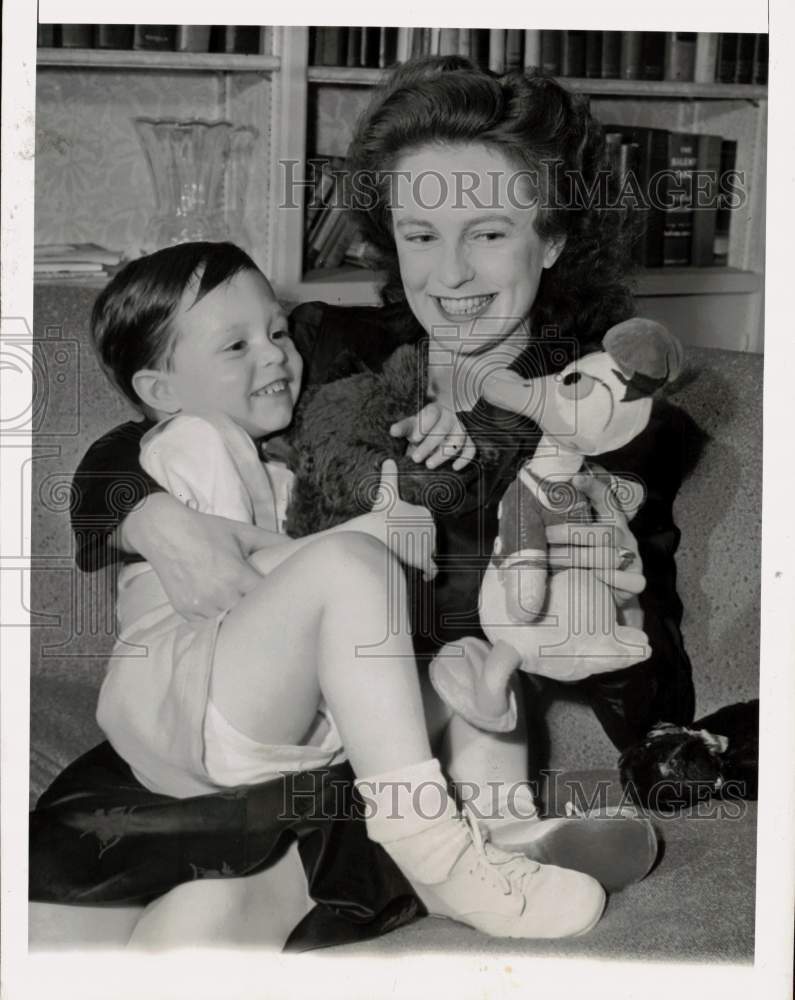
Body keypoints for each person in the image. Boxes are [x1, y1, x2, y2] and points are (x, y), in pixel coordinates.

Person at [33, 56, 692, 946]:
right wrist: (155, 519)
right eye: (421, 235)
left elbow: (644, 661)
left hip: (392, 755)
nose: (450, 274)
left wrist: (545, 648)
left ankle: (482, 843)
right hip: (257, 714)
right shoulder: (326, 351)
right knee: (49, 928)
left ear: (555, 237)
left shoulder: (603, 417)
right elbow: (144, 434)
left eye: (489, 233)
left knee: (189, 938)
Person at [71, 238, 608, 940]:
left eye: (275, 331)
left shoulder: (277, 455)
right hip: (187, 688)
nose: (275, 354)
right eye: (236, 347)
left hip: (258, 718)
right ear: (160, 391)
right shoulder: (196, 440)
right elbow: (236, 579)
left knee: (468, 672)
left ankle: (502, 830)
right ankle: (434, 851)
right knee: (352, 566)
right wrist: (376, 536)